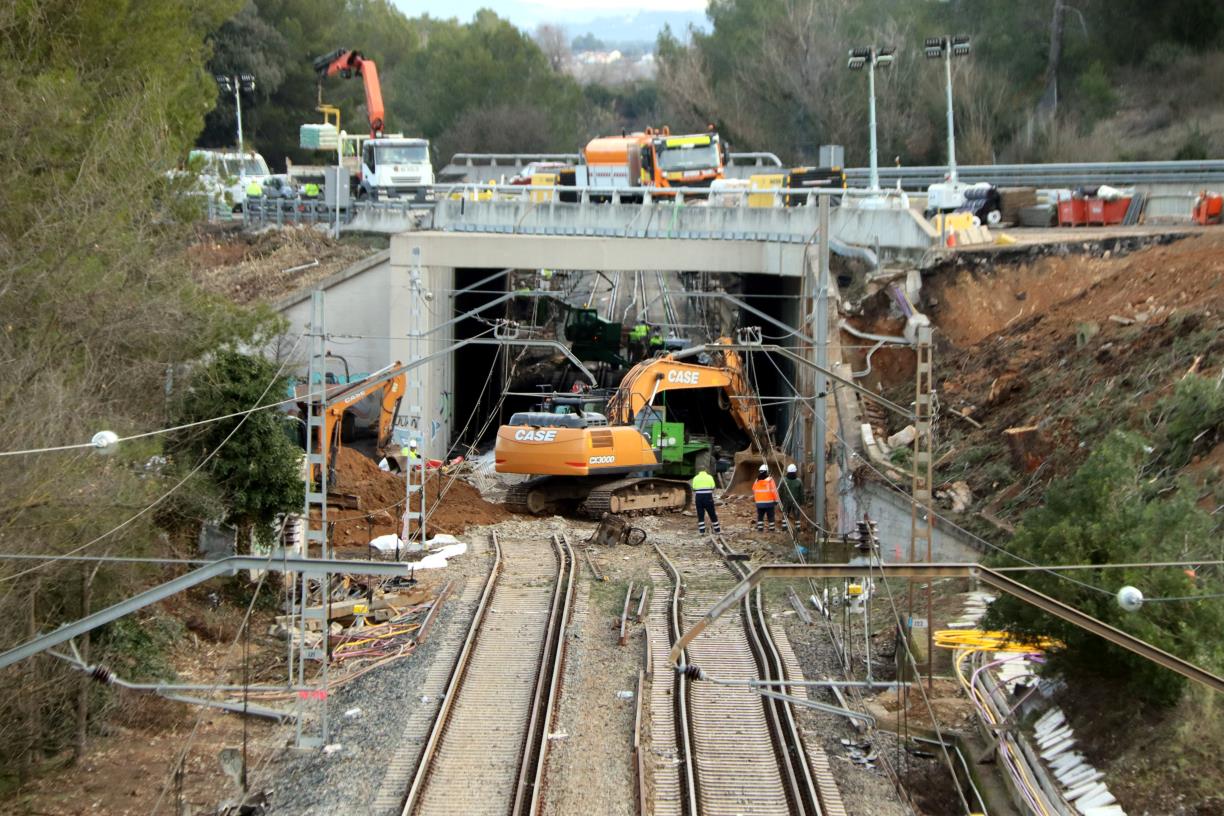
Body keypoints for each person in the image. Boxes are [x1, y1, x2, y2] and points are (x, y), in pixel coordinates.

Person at [691, 468, 721, 536]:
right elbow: (713, 487)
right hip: (708, 497)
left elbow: (694, 488)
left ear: (699, 471)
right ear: (706, 471)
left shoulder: (696, 478)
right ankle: (717, 530)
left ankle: (702, 531)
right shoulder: (709, 477)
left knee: (700, 514)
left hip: (699, 497)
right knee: (712, 513)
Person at [752, 464, 780, 533]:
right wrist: (776, 500)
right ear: (767, 471)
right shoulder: (770, 480)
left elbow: (753, 489)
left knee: (760, 517)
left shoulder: (757, 481)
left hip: (759, 503)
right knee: (770, 517)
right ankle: (772, 530)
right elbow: (774, 491)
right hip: (769, 503)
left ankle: (760, 530)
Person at [780, 463, 805, 532]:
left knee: (785, 514)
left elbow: (780, 491)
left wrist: (781, 501)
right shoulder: (798, 481)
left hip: (786, 501)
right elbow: (801, 493)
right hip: (795, 501)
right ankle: (798, 528)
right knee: (797, 515)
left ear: (788, 471)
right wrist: (802, 502)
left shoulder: (784, 480)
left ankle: (784, 528)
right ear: (795, 471)